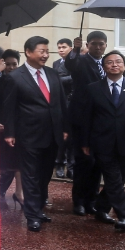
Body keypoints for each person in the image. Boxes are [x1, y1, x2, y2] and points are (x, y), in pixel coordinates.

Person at [3, 36, 69, 232]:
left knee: (44, 174)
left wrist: (65, 128)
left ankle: (38, 209)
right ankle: (32, 215)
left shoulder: (53, 74)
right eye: (42, 51)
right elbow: (9, 108)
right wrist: (10, 132)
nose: (46, 55)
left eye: (47, 52)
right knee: (30, 175)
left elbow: (61, 103)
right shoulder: (15, 77)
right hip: (28, 134)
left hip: (53, 133)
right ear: (28, 52)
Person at [81, 50, 125, 231]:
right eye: (110, 62)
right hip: (102, 142)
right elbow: (87, 117)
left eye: (118, 61)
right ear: (104, 67)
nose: (114, 65)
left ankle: (102, 208)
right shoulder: (94, 88)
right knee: (113, 179)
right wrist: (85, 142)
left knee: (118, 180)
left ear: (124, 65)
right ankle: (124, 216)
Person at [65, 30, 108, 216]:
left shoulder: (108, 62)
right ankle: (79, 201)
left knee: (98, 162)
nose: (98, 47)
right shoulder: (81, 60)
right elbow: (70, 63)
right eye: (94, 44)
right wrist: (75, 48)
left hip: (101, 119)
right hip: (82, 119)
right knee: (84, 161)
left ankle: (92, 199)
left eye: (101, 44)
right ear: (88, 45)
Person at [0, 50, 23, 208]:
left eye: (14, 64)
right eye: (8, 64)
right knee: (1, 164)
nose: (11, 67)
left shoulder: (20, 80)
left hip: (15, 128)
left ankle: (19, 193)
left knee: (17, 163)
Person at [53, 37, 74, 177]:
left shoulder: (75, 61)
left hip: (73, 101)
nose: (61, 50)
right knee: (61, 135)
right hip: (60, 102)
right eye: (59, 47)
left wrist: (59, 80)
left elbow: (75, 78)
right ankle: (59, 163)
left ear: (71, 48)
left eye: (64, 47)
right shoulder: (56, 63)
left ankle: (71, 165)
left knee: (72, 136)